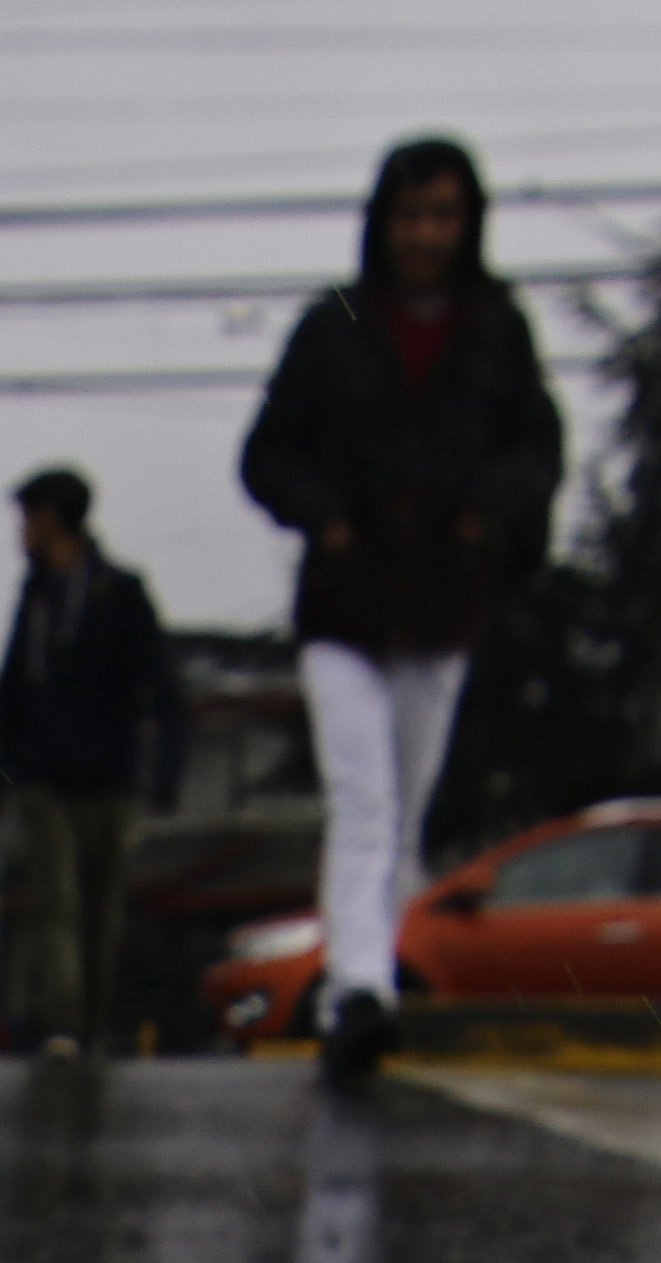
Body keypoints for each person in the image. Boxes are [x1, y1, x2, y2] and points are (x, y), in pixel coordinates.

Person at [236, 134, 563, 1078]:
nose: (425, 235)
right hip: (345, 601)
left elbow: (538, 449)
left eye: (443, 217)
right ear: (382, 221)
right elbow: (266, 455)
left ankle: (372, 963)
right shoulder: (333, 324)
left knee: (403, 807)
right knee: (363, 798)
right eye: (411, 215)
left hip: (442, 599)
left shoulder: (498, 326)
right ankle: (359, 989)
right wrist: (326, 519)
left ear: (469, 225)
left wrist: (484, 517)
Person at [0, 464, 183, 1058]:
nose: (21, 532)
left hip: (109, 777)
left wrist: (166, 767)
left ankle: (92, 1023)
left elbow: (162, 684)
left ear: (51, 520)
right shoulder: (34, 598)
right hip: (44, 779)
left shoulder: (121, 592)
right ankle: (64, 1024)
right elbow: (12, 693)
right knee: (58, 904)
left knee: (102, 908)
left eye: (28, 518)